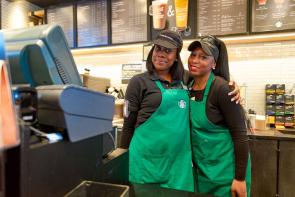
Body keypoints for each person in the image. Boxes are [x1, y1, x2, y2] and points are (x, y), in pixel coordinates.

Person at [119, 30, 240, 192]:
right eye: (158, 48)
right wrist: (120, 162)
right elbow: (128, 126)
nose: (161, 54)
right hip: (146, 165)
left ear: (176, 56)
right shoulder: (138, 82)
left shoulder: (186, 79)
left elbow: (209, 78)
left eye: (168, 50)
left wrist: (231, 85)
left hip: (178, 169)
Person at [187, 35, 251, 197]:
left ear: (214, 63)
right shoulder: (187, 84)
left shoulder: (222, 89)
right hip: (202, 174)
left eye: (203, 57)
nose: (195, 60)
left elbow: (240, 136)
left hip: (226, 176)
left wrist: (240, 178)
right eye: (193, 54)